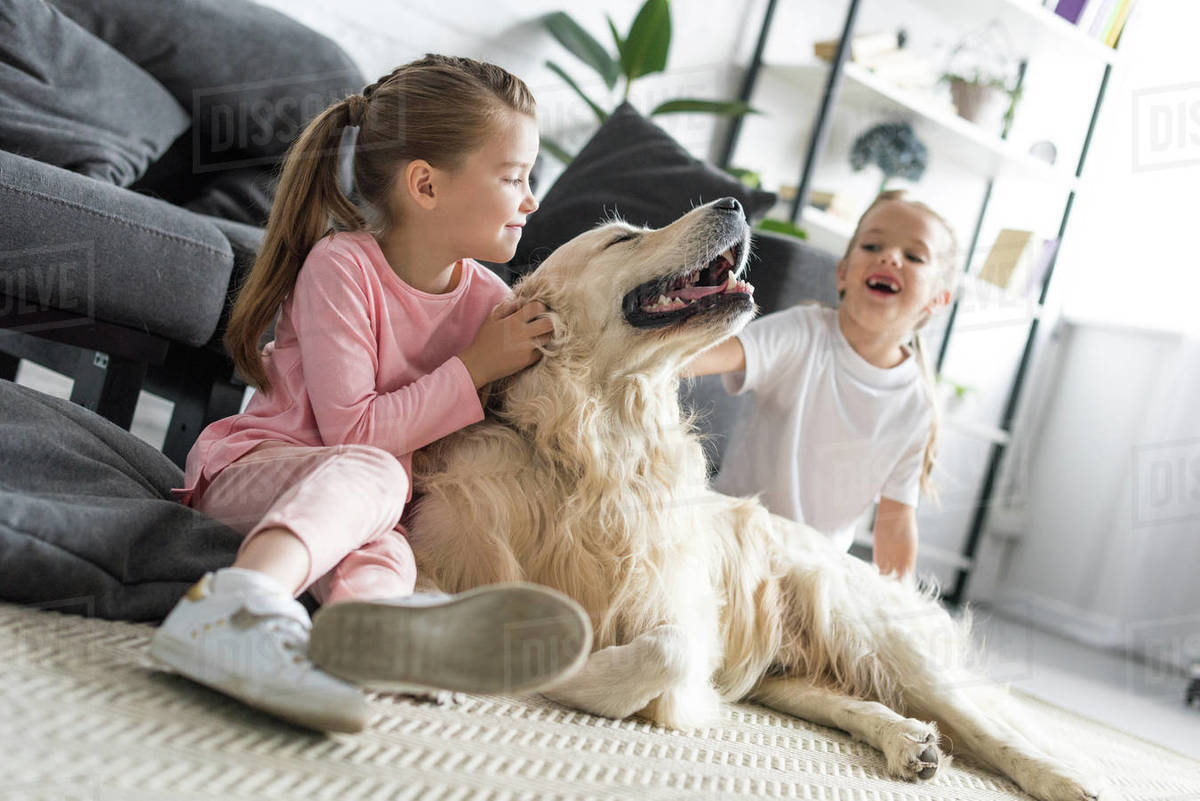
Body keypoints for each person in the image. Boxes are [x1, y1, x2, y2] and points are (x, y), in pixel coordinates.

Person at [150, 55, 591, 733]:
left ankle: (359, 645)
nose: (532, 200)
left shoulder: (487, 301)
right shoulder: (342, 267)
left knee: (392, 552)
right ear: (425, 185)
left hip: (364, 509)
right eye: (514, 178)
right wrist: (474, 365)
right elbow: (352, 434)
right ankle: (236, 606)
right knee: (379, 474)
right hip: (251, 472)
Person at [685, 190, 958, 580]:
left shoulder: (917, 406)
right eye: (872, 245)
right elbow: (706, 356)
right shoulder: (803, 332)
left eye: (914, 256)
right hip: (728, 538)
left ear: (938, 299)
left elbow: (896, 524)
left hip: (812, 573)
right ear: (843, 273)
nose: (889, 257)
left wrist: (897, 608)